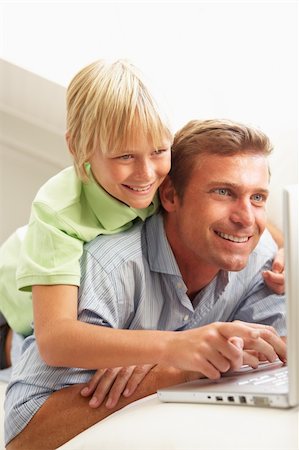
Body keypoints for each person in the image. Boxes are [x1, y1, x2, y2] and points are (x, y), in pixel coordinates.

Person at [5, 119, 286, 450]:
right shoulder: (110, 267)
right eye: (223, 192)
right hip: (11, 302)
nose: (246, 218)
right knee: (22, 337)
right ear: (169, 195)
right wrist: (175, 368)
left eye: (257, 197)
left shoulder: (264, 261)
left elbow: (277, 352)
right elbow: (23, 438)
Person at [0, 58, 173, 370]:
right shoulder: (57, 210)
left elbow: (233, 201)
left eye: (159, 151)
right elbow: (55, 341)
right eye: (125, 156)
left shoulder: (165, 176)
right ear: (79, 147)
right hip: (10, 305)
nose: (147, 173)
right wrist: (172, 348)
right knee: (25, 349)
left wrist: (284, 248)